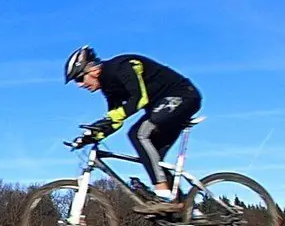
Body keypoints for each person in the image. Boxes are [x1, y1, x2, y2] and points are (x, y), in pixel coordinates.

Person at [64, 45, 202, 215]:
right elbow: (114, 118)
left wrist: (111, 120)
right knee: (153, 159)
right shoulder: (108, 88)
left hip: (183, 96)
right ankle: (187, 211)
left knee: (138, 134)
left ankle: (163, 195)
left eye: (79, 79)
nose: (79, 85)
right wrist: (92, 135)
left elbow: (139, 98)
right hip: (161, 108)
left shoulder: (120, 67)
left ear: (92, 70)